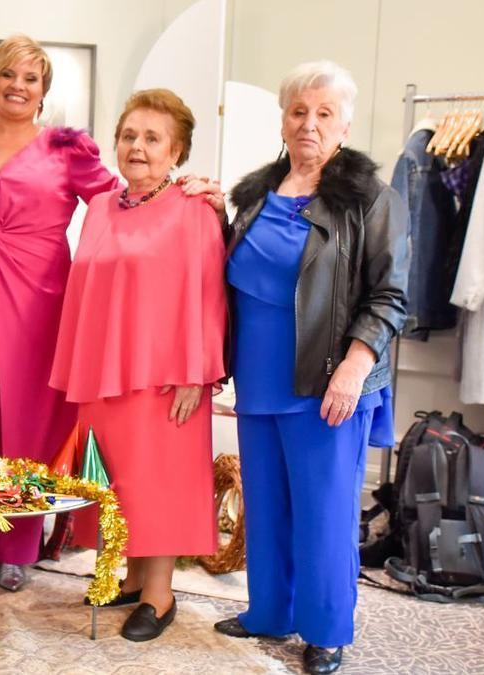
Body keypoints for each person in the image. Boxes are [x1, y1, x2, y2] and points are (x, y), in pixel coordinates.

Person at [186, 60, 408, 674]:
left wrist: (355, 366)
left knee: (325, 513)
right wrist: (213, 214)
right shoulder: (256, 195)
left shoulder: (372, 199)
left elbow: (390, 295)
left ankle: (326, 630)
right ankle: (270, 613)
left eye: (324, 113)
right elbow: (243, 272)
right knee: (268, 503)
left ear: (345, 123)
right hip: (258, 379)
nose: (309, 124)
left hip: (328, 380)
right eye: (298, 111)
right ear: (283, 119)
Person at [0, 34, 119, 590]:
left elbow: (116, 203)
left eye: (30, 78)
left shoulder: (66, 148)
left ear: (43, 91)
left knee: (28, 417)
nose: (17, 86)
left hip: (41, 295)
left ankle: (16, 546)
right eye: (7, 75)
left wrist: (182, 194)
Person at [51, 89, 226, 641]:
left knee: (159, 482)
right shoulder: (101, 206)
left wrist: (197, 373)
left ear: (176, 152)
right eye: (129, 135)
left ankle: (160, 593)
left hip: (166, 374)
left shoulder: (195, 208)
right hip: (104, 369)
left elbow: (208, 292)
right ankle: (127, 577)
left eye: (152, 138)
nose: (137, 147)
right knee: (117, 480)